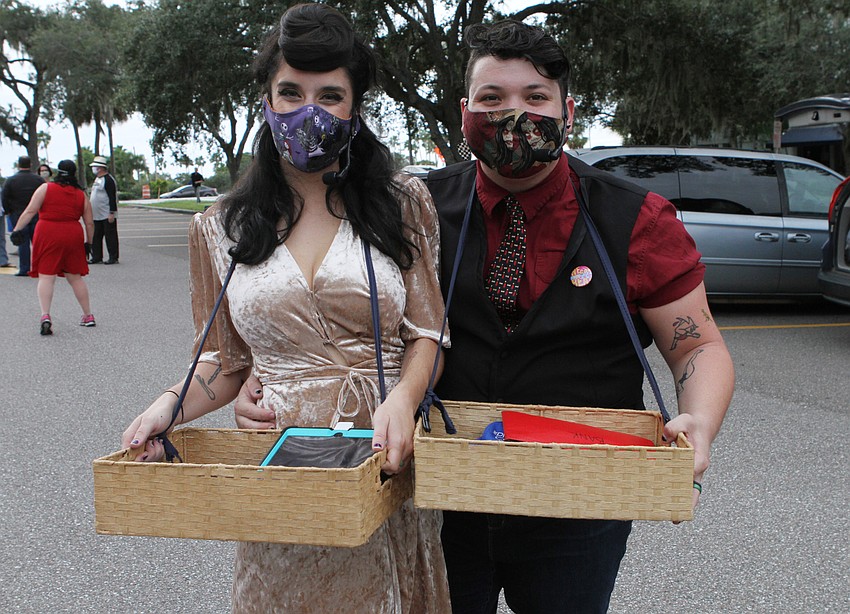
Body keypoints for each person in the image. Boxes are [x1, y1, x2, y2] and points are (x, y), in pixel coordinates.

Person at [234, 18, 735, 614]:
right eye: (492, 99)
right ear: (465, 108)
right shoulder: (410, 209)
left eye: (535, 98)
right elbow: (339, 310)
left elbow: (696, 345)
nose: (512, 116)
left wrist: (699, 420)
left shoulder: (638, 219)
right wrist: (266, 377)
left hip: (578, 503)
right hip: (440, 495)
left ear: (568, 111)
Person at [120, 4, 451, 612]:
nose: (309, 111)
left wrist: (402, 400)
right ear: (267, 101)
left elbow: (426, 332)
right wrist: (169, 407)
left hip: (381, 449)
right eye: (290, 92)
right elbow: (224, 362)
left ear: (355, 107)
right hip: (281, 461)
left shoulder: (402, 201)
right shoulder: (221, 225)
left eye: (330, 95)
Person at [10, 159, 95, 334]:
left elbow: (30, 211)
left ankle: (45, 315)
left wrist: (17, 229)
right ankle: (88, 315)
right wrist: (89, 243)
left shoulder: (45, 188)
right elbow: (89, 223)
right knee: (75, 277)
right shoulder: (81, 195)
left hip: (48, 231)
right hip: (72, 233)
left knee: (46, 276)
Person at [2, 155, 45, 276]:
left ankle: (24, 268)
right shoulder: (38, 180)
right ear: (30, 165)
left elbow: (5, 197)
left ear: (18, 165)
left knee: (22, 241)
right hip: (36, 213)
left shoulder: (11, 180)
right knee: (36, 242)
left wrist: (8, 211)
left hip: (18, 213)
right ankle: (39, 267)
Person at [88, 155, 119, 264]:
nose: (93, 169)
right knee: (96, 236)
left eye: (95, 166)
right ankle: (96, 257)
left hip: (106, 213)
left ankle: (113, 257)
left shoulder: (109, 180)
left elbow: (112, 197)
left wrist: (112, 213)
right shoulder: (98, 179)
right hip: (96, 214)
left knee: (110, 236)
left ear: (100, 168)